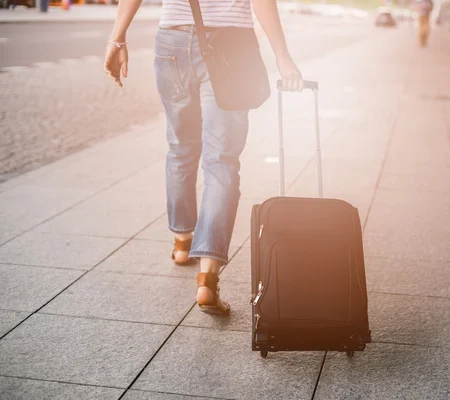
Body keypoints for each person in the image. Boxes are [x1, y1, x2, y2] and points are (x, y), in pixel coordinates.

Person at [104, 0, 303, 315]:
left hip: (172, 41)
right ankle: (207, 278)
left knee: (180, 148)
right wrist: (282, 55)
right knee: (221, 161)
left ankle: (183, 243)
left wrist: (117, 38)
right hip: (231, 45)